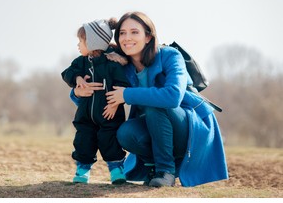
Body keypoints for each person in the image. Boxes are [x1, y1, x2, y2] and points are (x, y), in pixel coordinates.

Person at [72, 11, 228, 187]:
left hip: (187, 128)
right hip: (155, 127)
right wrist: (78, 92)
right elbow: (95, 93)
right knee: (125, 132)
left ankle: (165, 171)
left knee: (155, 104)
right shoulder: (121, 65)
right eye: (122, 33)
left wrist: (126, 95)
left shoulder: (170, 55)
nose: (127, 38)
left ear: (148, 37)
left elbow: (172, 97)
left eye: (134, 32)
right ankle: (152, 167)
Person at [61, 18, 130, 184]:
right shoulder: (80, 63)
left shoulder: (112, 65)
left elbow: (123, 85)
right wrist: (77, 78)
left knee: (110, 142)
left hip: (109, 115)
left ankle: (116, 171)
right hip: (85, 116)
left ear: (93, 43)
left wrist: (115, 105)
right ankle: (82, 171)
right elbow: (66, 73)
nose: (78, 45)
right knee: (83, 142)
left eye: (81, 41)